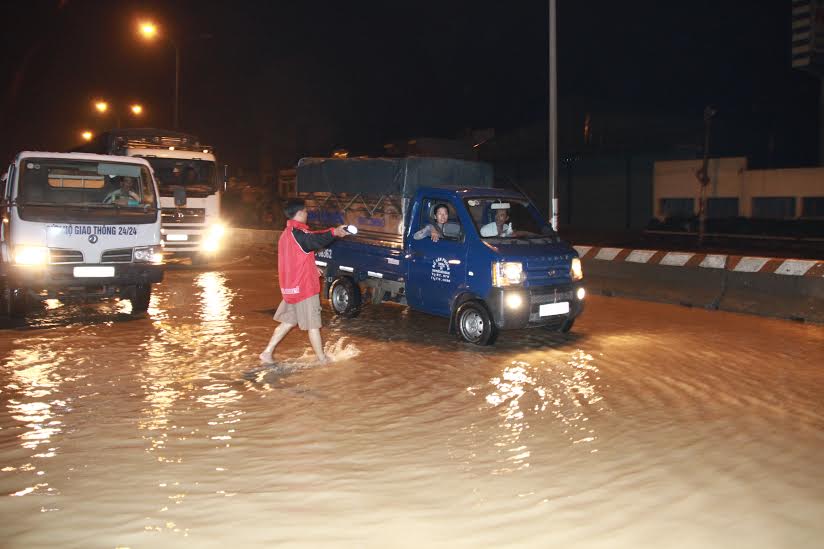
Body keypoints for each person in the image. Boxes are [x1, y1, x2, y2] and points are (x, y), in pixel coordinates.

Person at [260, 199, 348, 365]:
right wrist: (334, 232)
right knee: (313, 324)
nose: (307, 214)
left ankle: (267, 352)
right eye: (306, 211)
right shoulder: (298, 234)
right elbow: (314, 240)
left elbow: (295, 258)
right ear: (300, 213)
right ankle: (322, 360)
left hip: (291, 288)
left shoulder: (286, 235)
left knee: (288, 322)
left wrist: (311, 267)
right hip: (304, 288)